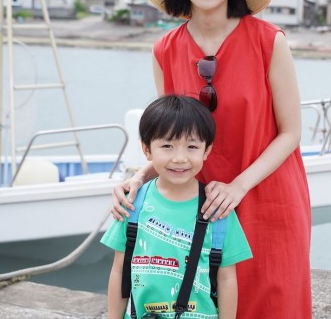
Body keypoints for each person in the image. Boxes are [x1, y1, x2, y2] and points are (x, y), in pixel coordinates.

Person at [111, 0, 312, 318]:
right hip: (195, 205)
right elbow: (171, 137)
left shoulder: (268, 41)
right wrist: (136, 179)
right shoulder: (164, 49)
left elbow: (291, 133)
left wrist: (238, 187)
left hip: (267, 198)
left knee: (273, 303)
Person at [101, 94, 252, 319]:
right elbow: (119, 270)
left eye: (192, 146)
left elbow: (226, 278)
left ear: (206, 150)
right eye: (167, 146)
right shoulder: (133, 203)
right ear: (147, 150)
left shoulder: (216, 209)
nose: (180, 158)